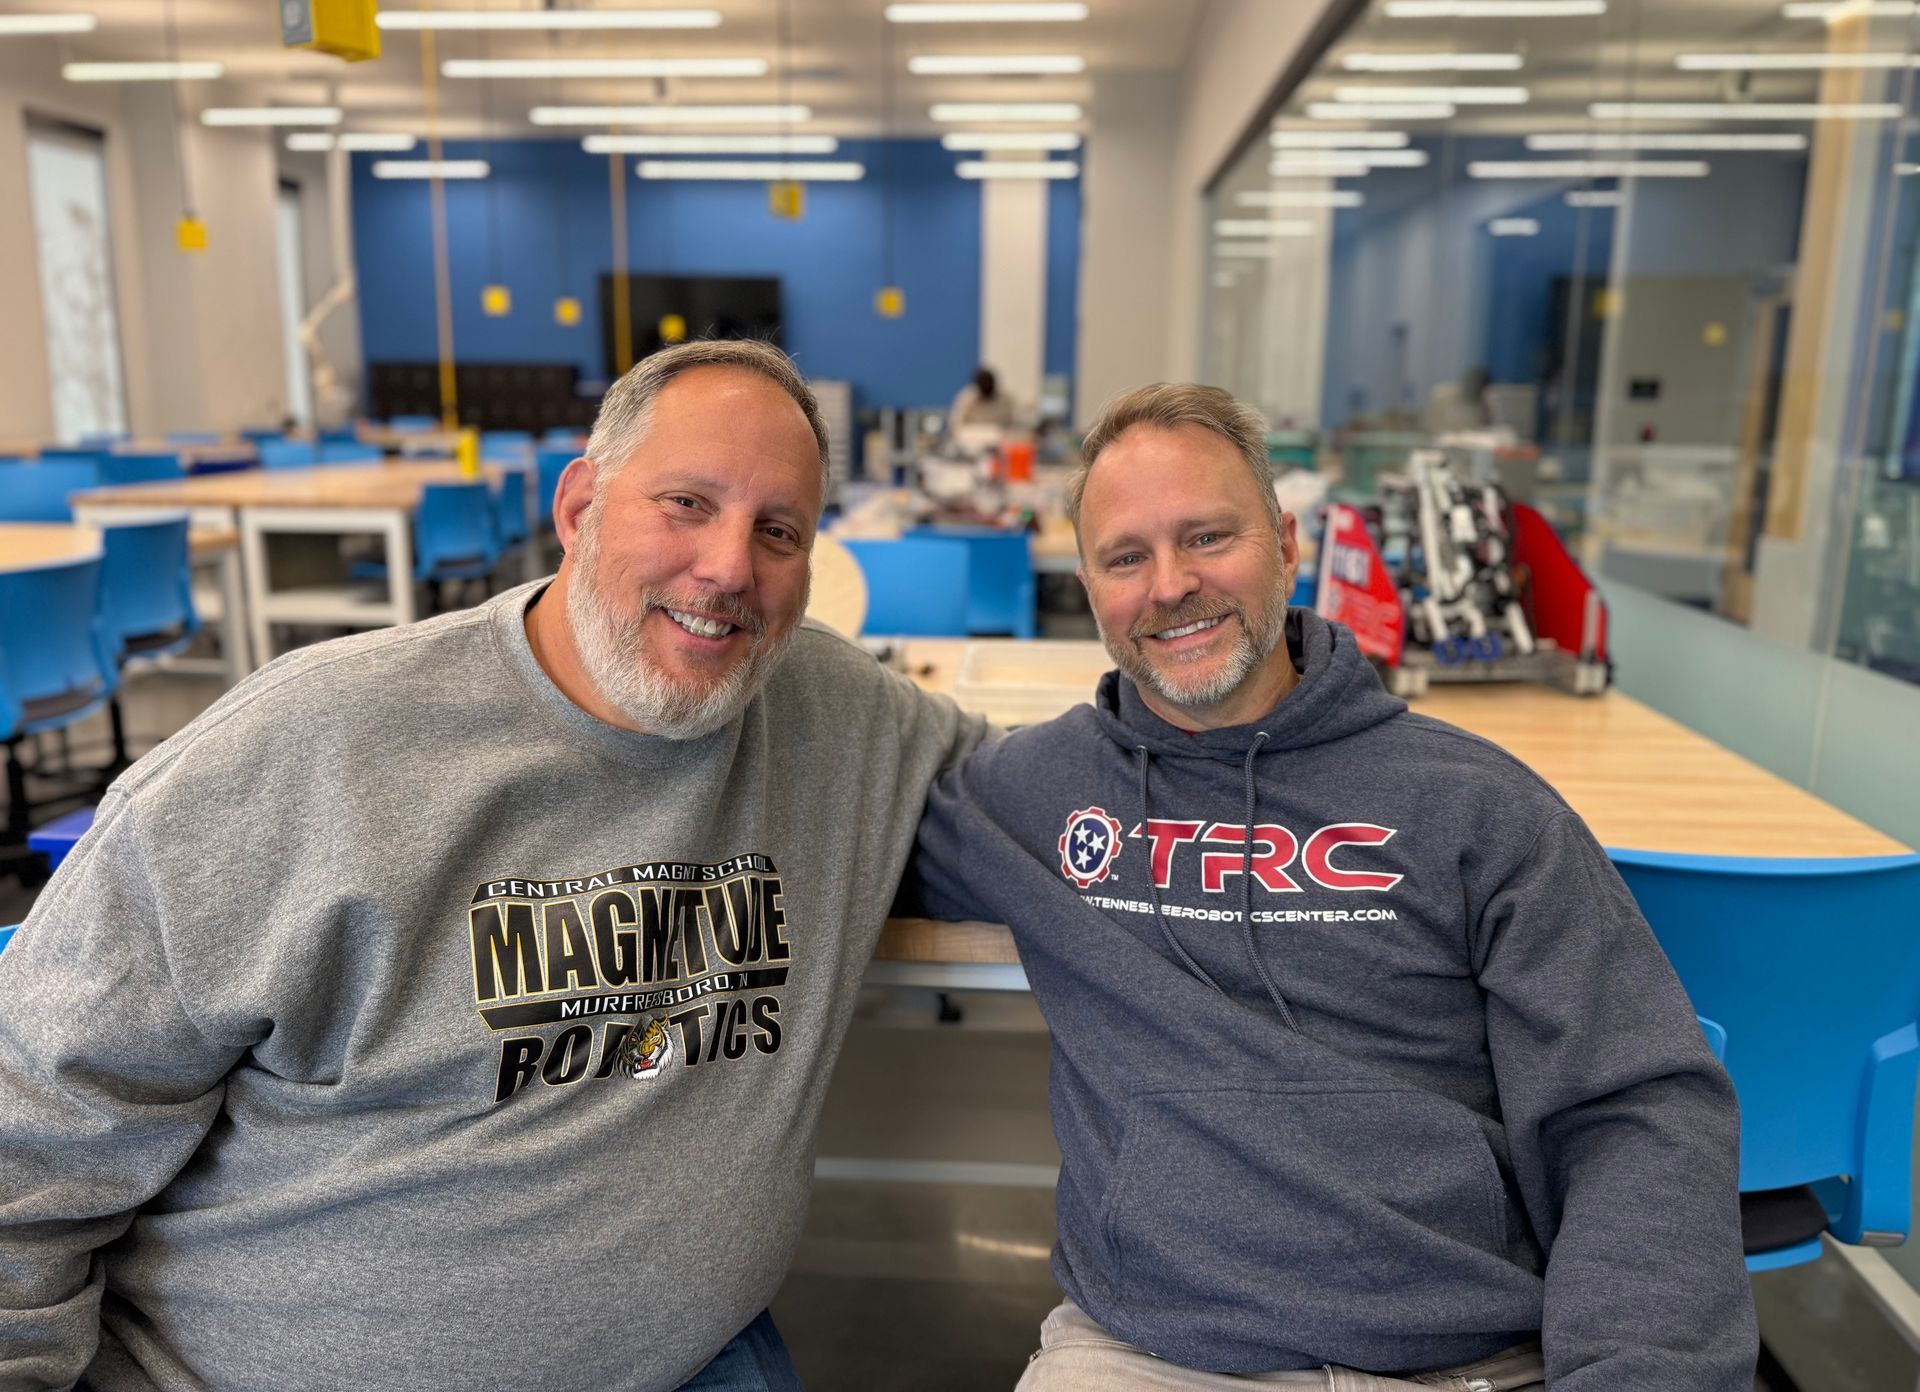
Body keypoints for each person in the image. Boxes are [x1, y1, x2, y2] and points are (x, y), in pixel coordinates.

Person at [0, 339, 987, 1392]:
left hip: (689, 1358)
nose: (731, 568)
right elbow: (31, 1125)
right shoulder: (309, 748)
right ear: (579, 507)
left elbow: (1052, 794)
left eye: (777, 530)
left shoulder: (835, 716)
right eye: (687, 504)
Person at [906, 382, 1757, 1391]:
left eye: (1207, 537)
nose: (1169, 584)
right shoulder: (1036, 793)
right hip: (1153, 1356)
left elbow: (1636, 1111)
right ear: (1089, 585)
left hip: (1466, 1359)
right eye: (1125, 557)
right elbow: (829, 808)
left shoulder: (1475, 806)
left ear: (1287, 543)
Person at [947, 365, 1016, 438]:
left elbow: (1013, 422)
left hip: (998, 435)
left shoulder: (1005, 399)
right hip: (973, 436)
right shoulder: (967, 398)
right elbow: (955, 424)